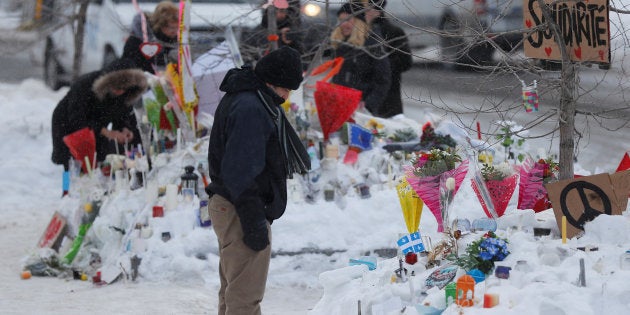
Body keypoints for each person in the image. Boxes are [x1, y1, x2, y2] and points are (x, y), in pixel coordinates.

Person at [205, 46, 309, 315]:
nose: (286, 97)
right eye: (285, 88)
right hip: (241, 208)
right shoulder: (251, 108)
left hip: (232, 205)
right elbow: (239, 171)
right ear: (270, 81)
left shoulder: (247, 97)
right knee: (244, 299)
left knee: (234, 292)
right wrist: (253, 221)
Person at [51, 58, 148, 171]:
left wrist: (125, 129)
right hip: (67, 124)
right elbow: (77, 119)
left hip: (96, 128)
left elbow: (121, 115)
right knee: (71, 164)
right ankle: (67, 187)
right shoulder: (85, 85)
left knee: (97, 161)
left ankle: (96, 184)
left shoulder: (125, 93)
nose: (120, 91)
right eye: (116, 87)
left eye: (124, 89)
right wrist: (107, 132)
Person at [329, 2, 391, 116]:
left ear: (358, 22)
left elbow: (383, 80)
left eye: (348, 20)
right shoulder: (340, 44)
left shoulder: (373, 44)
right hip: (339, 105)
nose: (343, 24)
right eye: (341, 20)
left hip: (361, 110)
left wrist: (368, 104)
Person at [363, 0, 412, 118]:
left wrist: (380, 66)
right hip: (362, 97)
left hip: (388, 98)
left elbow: (406, 62)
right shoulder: (356, 32)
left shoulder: (393, 32)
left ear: (376, 11)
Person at [122, 1, 179, 74]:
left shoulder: (175, 42)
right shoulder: (138, 40)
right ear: (161, 25)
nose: (175, 31)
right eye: (172, 28)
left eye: (178, 28)